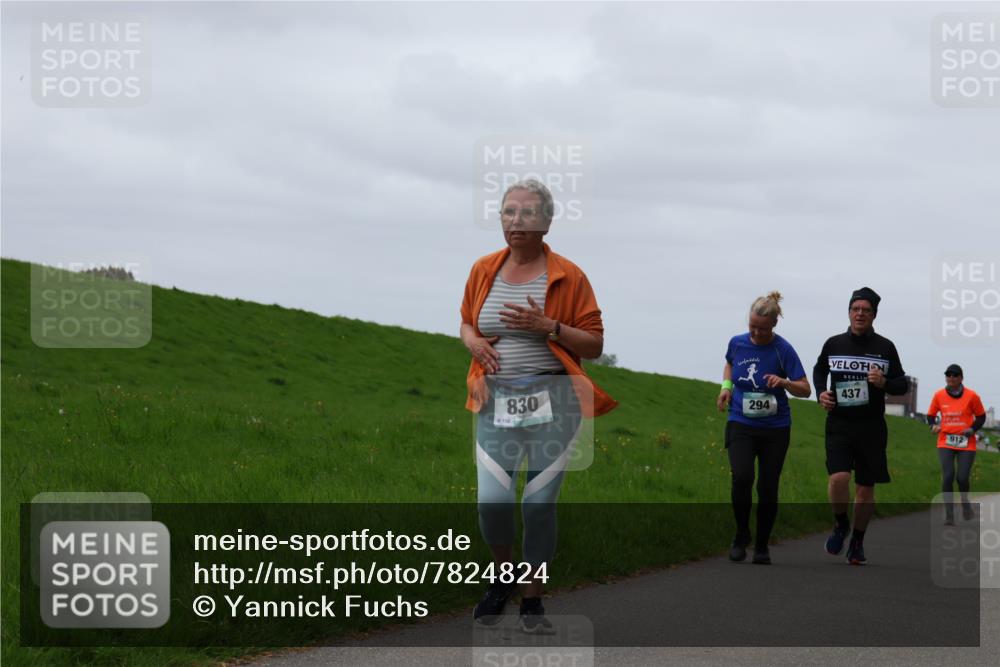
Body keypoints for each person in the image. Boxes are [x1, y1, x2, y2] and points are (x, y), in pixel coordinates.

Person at [460, 179, 617, 632]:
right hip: (495, 401)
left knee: (538, 505)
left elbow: (594, 344)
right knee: (492, 504)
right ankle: (504, 575)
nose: (517, 221)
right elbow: (467, 323)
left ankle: (532, 600)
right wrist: (473, 343)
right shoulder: (483, 269)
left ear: (547, 222)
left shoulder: (569, 276)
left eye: (528, 213)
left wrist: (550, 326)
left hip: (555, 402)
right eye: (509, 211)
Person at [813, 287, 908, 565]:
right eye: (856, 309)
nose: (860, 314)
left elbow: (902, 383)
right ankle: (841, 523)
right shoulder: (834, 344)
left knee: (865, 489)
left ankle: (857, 540)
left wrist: (884, 382)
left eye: (866, 310)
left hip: (871, 427)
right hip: (839, 423)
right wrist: (820, 392)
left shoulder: (885, 347)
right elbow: (820, 369)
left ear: (874, 315)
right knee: (838, 478)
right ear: (849, 312)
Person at [717, 292, 811, 565]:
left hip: (775, 428)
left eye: (762, 329)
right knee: (742, 477)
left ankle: (761, 545)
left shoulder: (783, 350)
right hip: (741, 422)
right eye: (752, 327)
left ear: (774, 325)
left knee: (768, 488)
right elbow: (729, 365)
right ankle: (741, 534)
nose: (756, 333)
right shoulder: (737, 343)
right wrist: (726, 388)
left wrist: (784, 382)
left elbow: (805, 389)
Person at [925, 364, 987, 524]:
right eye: (948, 375)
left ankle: (965, 503)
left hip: (966, 442)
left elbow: (981, 416)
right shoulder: (939, 395)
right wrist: (933, 426)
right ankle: (949, 515)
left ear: (961, 378)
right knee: (947, 477)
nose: (951, 377)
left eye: (955, 375)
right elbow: (930, 415)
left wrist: (972, 429)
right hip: (945, 440)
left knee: (962, 478)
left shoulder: (972, 396)